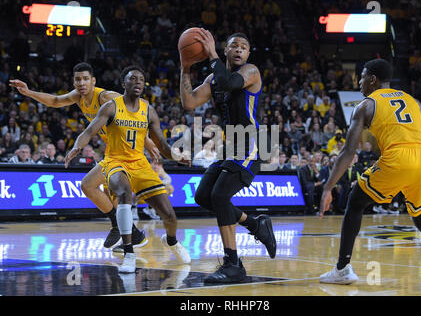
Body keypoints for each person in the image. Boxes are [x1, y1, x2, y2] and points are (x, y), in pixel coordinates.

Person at [319, 58, 421, 284]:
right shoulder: (412, 100)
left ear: (372, 79)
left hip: (398, 158)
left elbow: (348, 152)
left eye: (361, 77)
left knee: (356, 201)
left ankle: (342, 269)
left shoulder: (366, 105)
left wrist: (328, 187)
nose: (359, 82)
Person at [10, 63, 160, 249]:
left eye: (85, 79)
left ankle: (122, 230)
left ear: (93, 81)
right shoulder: (78, 97)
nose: (81, 83)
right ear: (74, 82)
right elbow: (56, 101)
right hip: (113, 152)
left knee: (89, 185)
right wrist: (29, 93)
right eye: (78, 79)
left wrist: (149, 141)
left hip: (127, 153)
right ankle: (132, 235)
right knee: (109, 196)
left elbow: (135, 113)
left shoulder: (106, 96)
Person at [65, 66, 191, 273]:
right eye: (133, 79)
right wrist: (77, 146)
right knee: (124, 194)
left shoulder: (148, 110)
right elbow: (89, 132)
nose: (138, 82)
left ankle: (172, 241)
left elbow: (162, 145)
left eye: (141, 79)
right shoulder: (110, 107)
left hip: (140, 164)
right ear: (123, 84)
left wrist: (176, 156)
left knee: (169, 216)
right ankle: (129, 253)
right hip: (114, 162)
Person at [180, 30, 277, 283]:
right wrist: (185, 67)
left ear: (248, 54)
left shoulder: (250, 72)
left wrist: (210, 53)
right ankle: (256, 225)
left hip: (252, 143)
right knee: (203, 196)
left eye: (244, 47)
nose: (239, 50)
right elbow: (189, 102)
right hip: (232, 146)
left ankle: (233, 264)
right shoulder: (214, 77)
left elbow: (230, 84)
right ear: (226, 50)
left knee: (220, 196)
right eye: (234, 45)